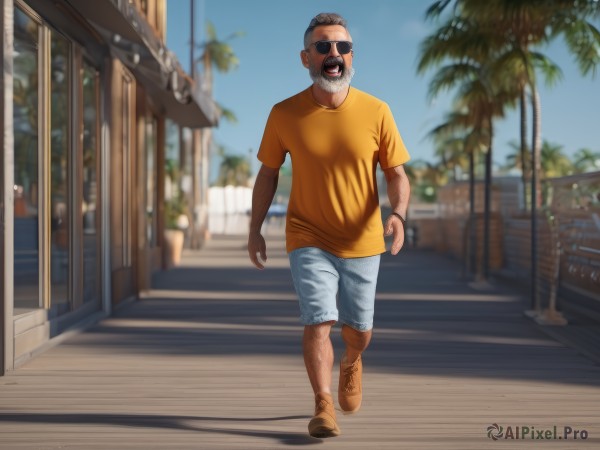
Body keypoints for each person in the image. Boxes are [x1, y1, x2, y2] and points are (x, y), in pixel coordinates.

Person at [247, 12, 411, 439]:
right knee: (319, 318)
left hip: (363, 239)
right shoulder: (284, 114)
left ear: (351, 55)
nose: (333, 54)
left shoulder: (377, 111)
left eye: (342, 47)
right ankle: (322, 405)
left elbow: (396, 173)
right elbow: (268, 174)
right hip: (307, 235)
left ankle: (352, 361)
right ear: (306, 58)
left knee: (359, 332)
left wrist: (398, 214)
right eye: (323, 47)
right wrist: (255, 228)